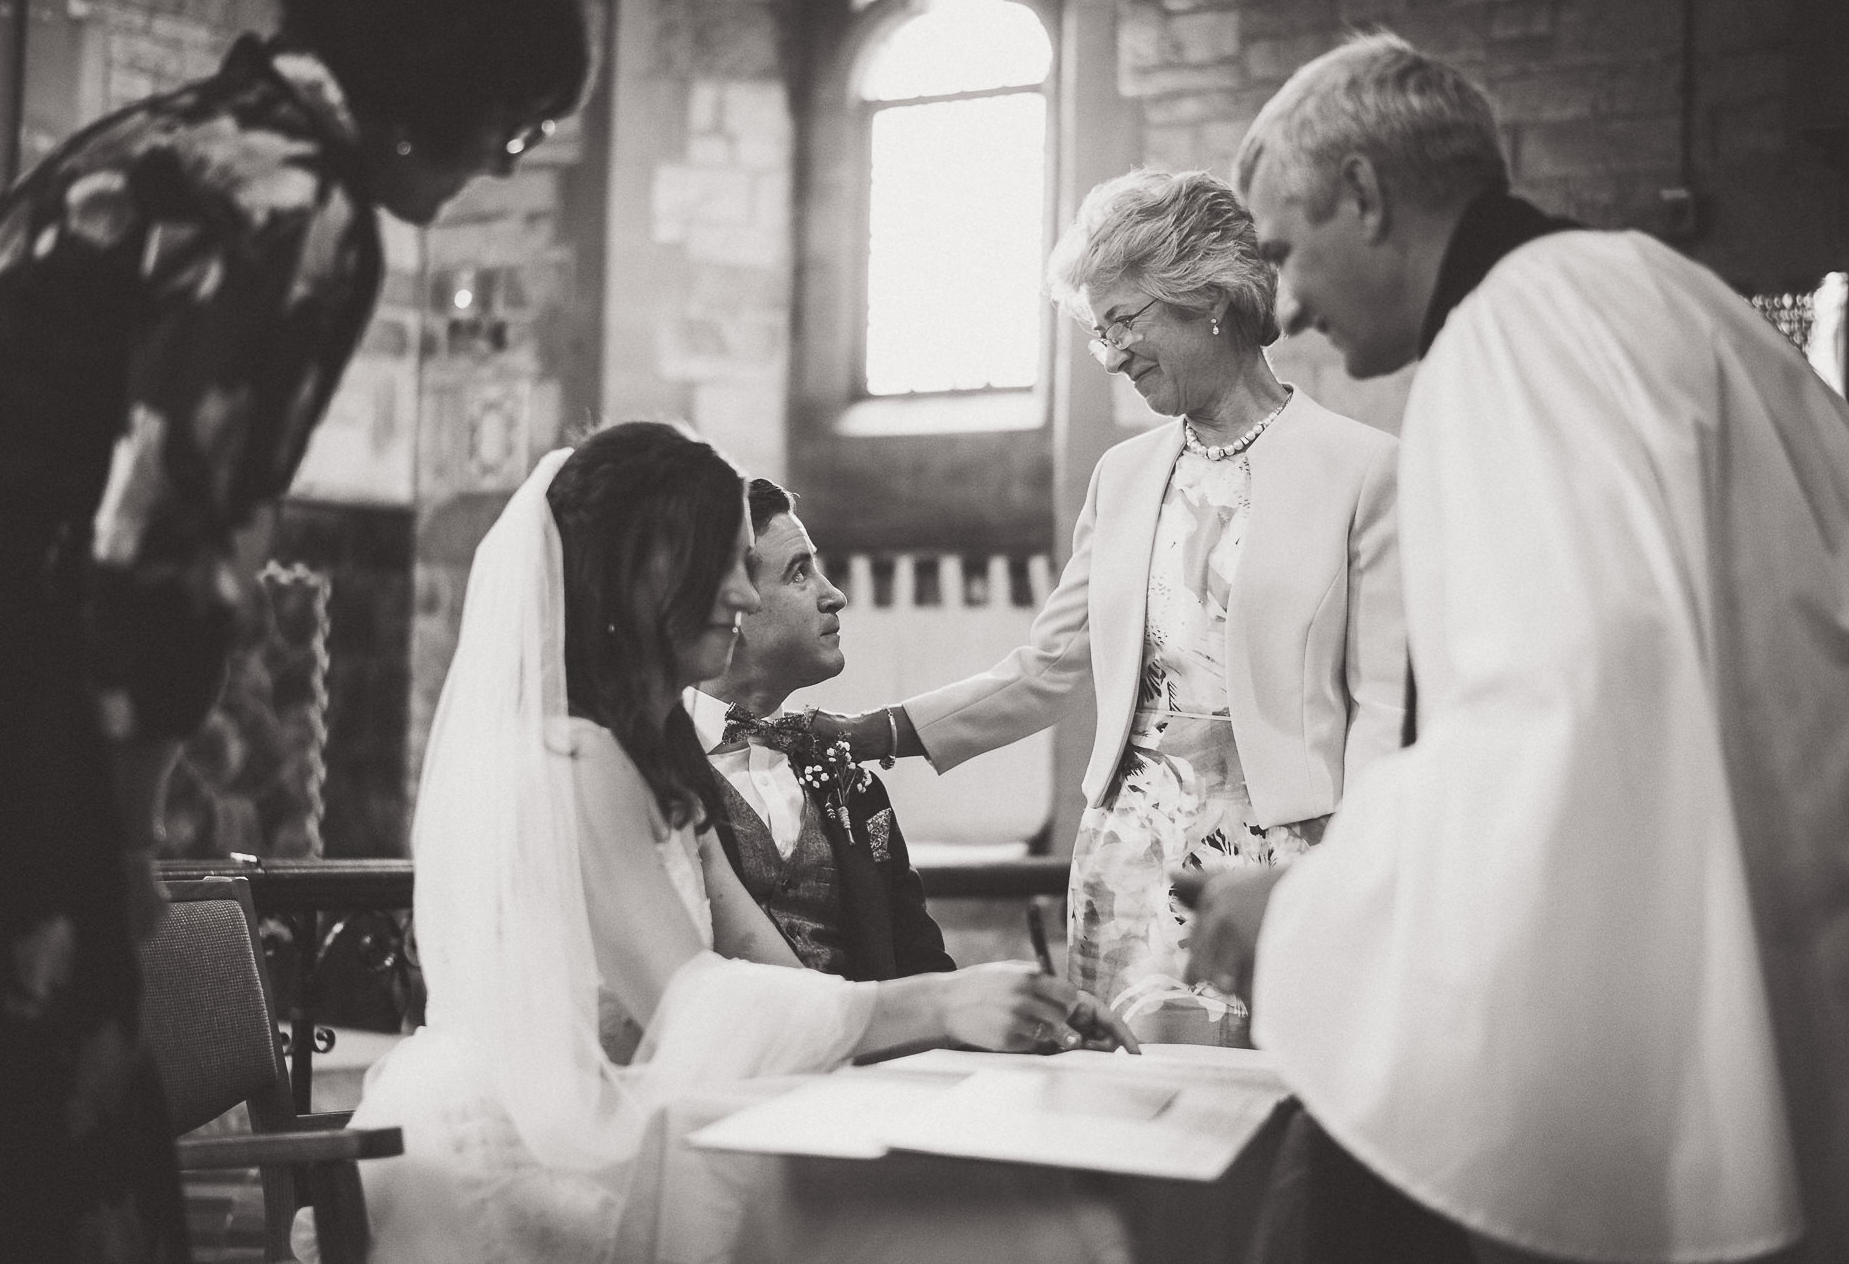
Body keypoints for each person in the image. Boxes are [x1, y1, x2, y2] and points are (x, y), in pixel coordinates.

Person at [1187, 31, 1849, 1263]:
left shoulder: (1513, 339)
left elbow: (1562, 725)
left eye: (1282, 248)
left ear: (1363, 194)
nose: (1289, 306)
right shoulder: (1654, 288)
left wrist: (1307, 907)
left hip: (1715, 972)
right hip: (1836, 944)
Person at [0, 0, 588, 1257]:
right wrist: (119, 839)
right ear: (450, 82)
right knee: (47, 1160)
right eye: (511, 135)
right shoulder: (303, 208)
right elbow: (167, 554)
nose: (482, 178)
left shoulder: (161, 137)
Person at [331, 424, 1134, 1264]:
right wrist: (937, 1004)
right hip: (529, 1156)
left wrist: (983, 1009)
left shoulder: (657, 753)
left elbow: (763, 966)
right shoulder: (568, 756)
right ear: (650, 572)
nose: (744, 597)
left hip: (633, 1117)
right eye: (726, 561)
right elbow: (692, 1002)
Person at [823, 169, 1404, 1044]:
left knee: (1272, 1110)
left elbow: (1386, 709)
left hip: (1279, 866)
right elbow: (1050, 669)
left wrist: (1353, 880)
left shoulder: (1363, 470)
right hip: (1125, 867)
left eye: (1123, 321)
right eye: (1098, 333)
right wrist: (882, 731)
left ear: (1208, 297)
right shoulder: (1123, 475)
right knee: (1123, 1108)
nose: (1111, 354)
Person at [690, 477, 955, 981]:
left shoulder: (847, 780)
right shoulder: (652, 773)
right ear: (732, 602)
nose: (835, 596)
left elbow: (921, 963)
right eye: (799, 574)